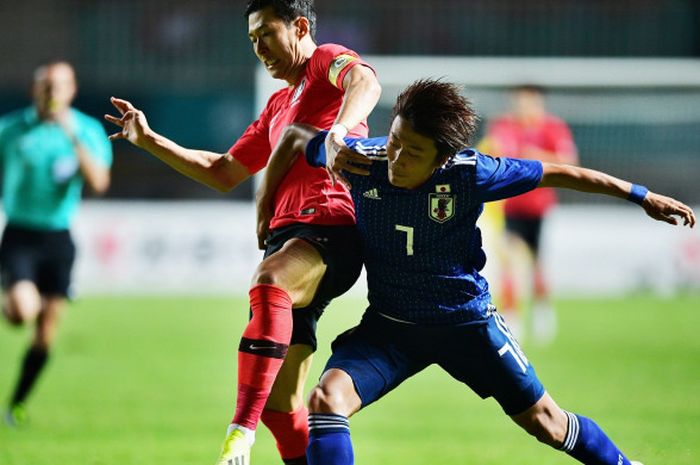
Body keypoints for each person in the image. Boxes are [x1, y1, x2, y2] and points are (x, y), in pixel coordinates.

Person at [256, 79, 695, 465]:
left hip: (466, 325)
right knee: (325, 400)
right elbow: (295, 136)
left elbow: (560, 172)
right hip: (390, 329)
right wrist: (269, 205)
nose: (396, 158)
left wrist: (641, 196)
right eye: (394, 141)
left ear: (443, 159)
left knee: (546, 422)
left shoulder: (473, 174)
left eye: (413, 152)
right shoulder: (362, 161)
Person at [104, 1, 381, 463]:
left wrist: (340, 130)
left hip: (328, 228)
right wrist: (149, 140)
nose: (259, 48)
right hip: (289, 237)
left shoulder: (324, 62)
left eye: (266, 35)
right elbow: (223, 170)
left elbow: (365, 81)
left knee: (269, 281)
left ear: (299, 26)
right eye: (252, 40)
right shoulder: (276, 105)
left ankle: (238, 431)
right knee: (281, 406)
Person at [1, 61, 112, 426]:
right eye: (45, 86)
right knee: (21, 312)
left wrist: (72, 138)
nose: (51, 93)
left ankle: (15, 404)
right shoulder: (11, 130)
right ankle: (11, 296)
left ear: (71, 90)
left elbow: (98, 183)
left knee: (45, 333)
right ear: (35, 90)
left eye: (58, 86)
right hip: (19, 234)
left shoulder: (86, 130)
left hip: (59, 239)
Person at [485, 84, 579, 343]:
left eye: (528, 101)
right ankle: (511, 315)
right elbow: (493, 152)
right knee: (509, 260)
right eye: (518, 101)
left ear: (539, 103)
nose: (522, 106)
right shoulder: (504, 126)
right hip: (510, 206)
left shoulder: (553, 128)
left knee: (538, 263)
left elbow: (570, 161)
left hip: (539, 208)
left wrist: (536, 157)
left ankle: (541, 311)